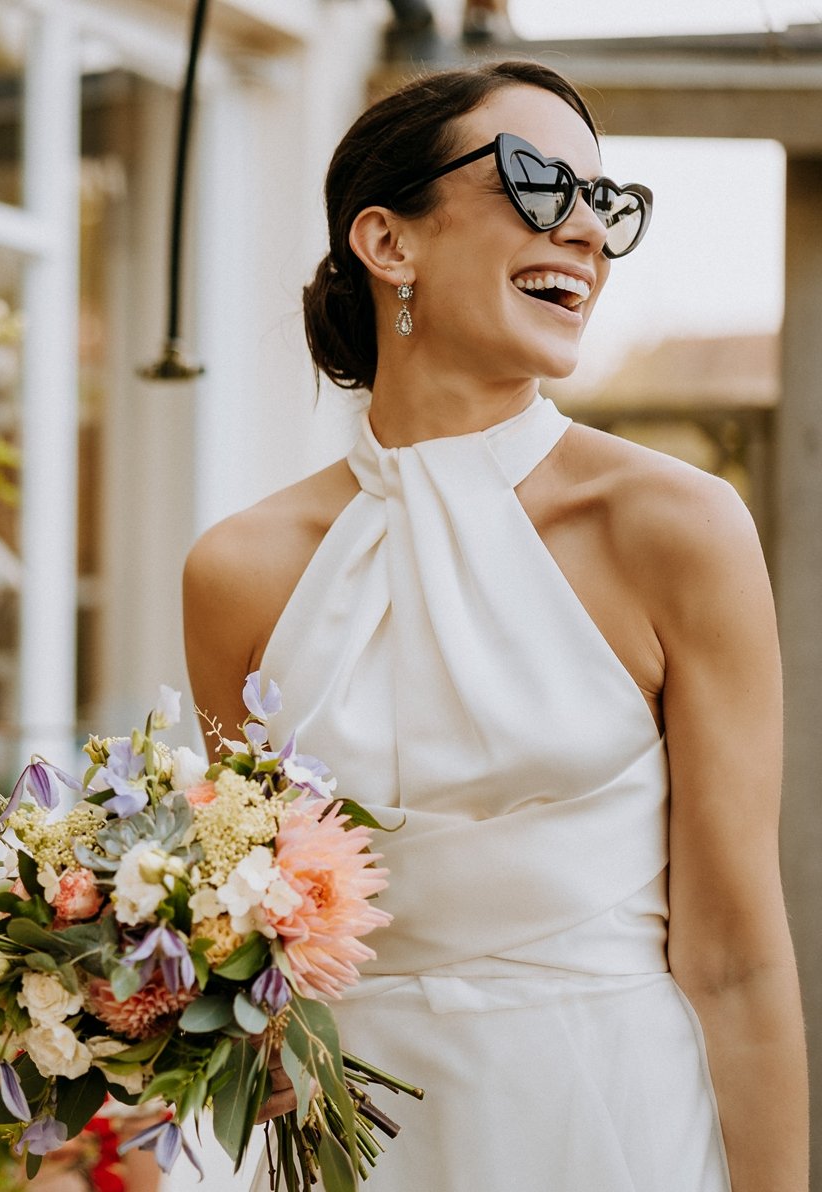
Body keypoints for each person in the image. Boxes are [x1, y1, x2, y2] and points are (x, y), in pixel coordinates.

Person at [183, 61, 805, 1190]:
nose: (585, 233)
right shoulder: (239, 571)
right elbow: (249, 947)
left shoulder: (678, 529)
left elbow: (735, 960)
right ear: (389, 242)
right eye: (536, 182)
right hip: (354, 1143)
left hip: (613, 1127)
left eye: (606, 206)